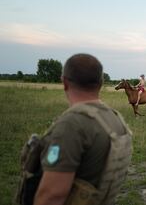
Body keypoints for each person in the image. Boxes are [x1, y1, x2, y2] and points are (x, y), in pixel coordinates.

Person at [33, 53, 132, 205]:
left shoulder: (71, 125)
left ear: (65, 82)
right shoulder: (116, 118)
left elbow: (52, 196)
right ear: (100, 83)